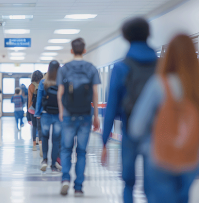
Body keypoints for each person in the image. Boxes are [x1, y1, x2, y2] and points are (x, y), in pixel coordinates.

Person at [129, 34, 199, 203]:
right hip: (190, 158)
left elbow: (136, 127)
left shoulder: (159, 84)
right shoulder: (195, 87)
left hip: (160, 157)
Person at [101, 17, 157, 203]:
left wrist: (104, 141)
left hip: (130, 129)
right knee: (153, 181)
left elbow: (111, 107)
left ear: (126, 37)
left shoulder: (121, 67)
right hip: (157, 131)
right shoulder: (161, 66)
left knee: (129, 182)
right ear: (149, 34)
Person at [57, 38, 101, 196]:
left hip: (68, 114)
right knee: (81, 151)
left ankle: (65, 179)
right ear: (84, 50)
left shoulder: (65, 69)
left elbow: (60, 93)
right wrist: (96, 115)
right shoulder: (91, 68)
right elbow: (95, 94)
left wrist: (62, 111)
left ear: (71, 51)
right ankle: (78, 187)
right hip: (85, 115)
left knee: (66, 149)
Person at [35, 60, 62, 173]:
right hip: (58, 114)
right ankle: (54, 165)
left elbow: (39, 100)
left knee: (45, 137)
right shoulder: (62, 82)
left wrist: (37, 113)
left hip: (45, 113)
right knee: (56, 139)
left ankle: (45, 160)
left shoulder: (43, 82)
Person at [28, 70, 44, 155]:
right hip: (40, 108)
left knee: (34, 126)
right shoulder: (42, 84)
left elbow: (29, 99)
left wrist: (28, 110)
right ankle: (41, 144)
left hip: (32, 108)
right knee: (40, 127)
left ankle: (34, 144)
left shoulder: (30, 86)